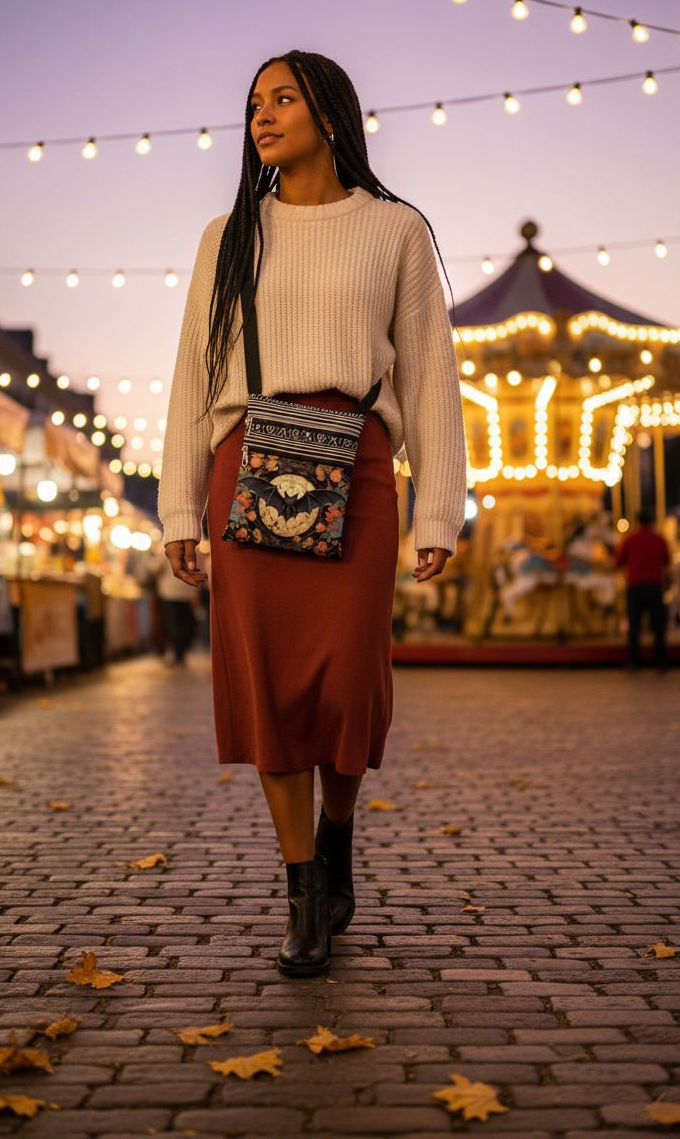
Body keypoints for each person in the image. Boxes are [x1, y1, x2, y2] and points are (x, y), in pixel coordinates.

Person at [158, 50, 467, 977]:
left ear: (330, 114)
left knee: (345, 686)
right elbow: (191, 376)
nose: (264, 115)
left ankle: (338, 835)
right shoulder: (229, 236)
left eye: (283, 98)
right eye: (255, 102)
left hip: (361, 465)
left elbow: (431, 370)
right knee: (269, 685)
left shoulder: (395, 230)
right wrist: (179, 506)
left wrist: (438, 510)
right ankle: (302, 890)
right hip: (243, 462)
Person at [614, 507, 670, 671]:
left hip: (636, 585)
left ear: (637, 522)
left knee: (635, 624)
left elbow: (618, 561)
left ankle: (634, 661)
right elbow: (666, 561)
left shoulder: (630, 539)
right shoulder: (659, 539)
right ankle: (660, 661)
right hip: (654, 584)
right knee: (658, 624)